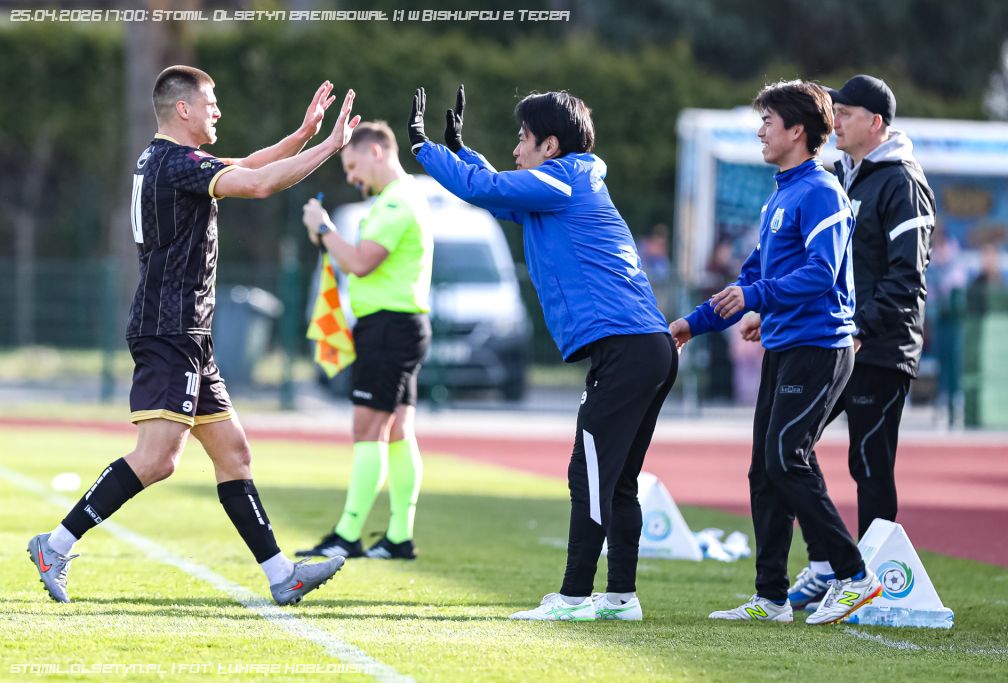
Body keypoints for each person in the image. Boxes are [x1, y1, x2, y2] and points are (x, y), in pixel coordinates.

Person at [27, 65, 360, 605]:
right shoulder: (177, 164)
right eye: (211, 103)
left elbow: (248, 165)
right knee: (158, 458)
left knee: (234, 454)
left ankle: (281, 575)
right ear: (183, 109)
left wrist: (304, 135)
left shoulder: (168, 160)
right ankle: (56, 544)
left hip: (188, 333)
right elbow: (259, 183)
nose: (218, 111)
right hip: (169, 328)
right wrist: (330, 147)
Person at [407, 85, 676, 621]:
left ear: (550, 145)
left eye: (523, 138)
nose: (515, 149)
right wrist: (460, 151)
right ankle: (620, 598)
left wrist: (423, 148)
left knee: (589, 477)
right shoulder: (565, 184)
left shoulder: (562, 179)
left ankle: (574, 598)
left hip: (627, 349)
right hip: (647, 347)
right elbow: (493, 190)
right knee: (616, 482)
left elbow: (485, 188)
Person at [669, 80, 882, 625]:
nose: (760, 131)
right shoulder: (780, 195)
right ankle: (772, 599)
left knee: (787, 457)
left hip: (821, 347)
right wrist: (692, 325)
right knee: (765, 471)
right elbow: (749, 280)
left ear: (798, 131)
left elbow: (821, 273)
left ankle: (854, 576)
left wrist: (758, 298)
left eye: (768, 121)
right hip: (785, 347)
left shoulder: (821, 191)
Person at [738, 75, 936, 611]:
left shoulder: (902, 182)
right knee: (784, 454)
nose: (837, 120)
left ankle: (873, 585)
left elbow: (907, 277)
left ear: (876, 123)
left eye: (846, 113)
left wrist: (858, 328)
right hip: (833, 339)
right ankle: (823, 569)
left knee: (867, 465)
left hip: (879, 347)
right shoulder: (838, 178)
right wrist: (768, 306)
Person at [297, 121, 433, 561]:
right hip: (401, 325)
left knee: (367, 429)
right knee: (397, 430)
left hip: (389, 327)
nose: (352, 178)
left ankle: (348, 534)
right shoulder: (399, 198)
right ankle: (399, 536)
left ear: (376, 152)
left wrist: (323, 229)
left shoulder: (396, 201)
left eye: (353, 166)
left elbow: (360, 263)